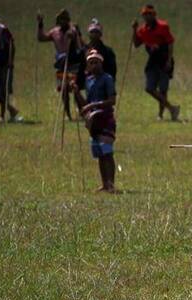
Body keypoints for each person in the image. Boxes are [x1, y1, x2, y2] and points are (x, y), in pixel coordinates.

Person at [70, 50, 118, 193]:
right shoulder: (89, 81)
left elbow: (112, 100)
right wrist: (77, 92)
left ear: (101, 63)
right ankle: (104, 183)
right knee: (99, 153)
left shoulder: (107, 79)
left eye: (96, 62)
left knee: (107, 152)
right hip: (94, 121)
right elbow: (86, 103)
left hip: (106, 118)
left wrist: (93, 106)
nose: (94, 64)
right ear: (88, 66)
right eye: (91, 62)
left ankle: (111, 184)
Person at [132, 4, 180, 121]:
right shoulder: (143, 30)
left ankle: (161, 114)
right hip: (152, 61)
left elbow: (170, 43)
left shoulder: (163, 26)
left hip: (164, 60)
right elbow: (137, 44)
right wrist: (134, 30)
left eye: (149, 14)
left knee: (163, 89)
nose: (147, 17)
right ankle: (172, 108)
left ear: (154, 15)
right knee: (149, 88)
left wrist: (169, 60)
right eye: (145, 15)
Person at [37, 9, 84, 120]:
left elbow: (79, 46)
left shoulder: (73, 30)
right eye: (61, 19)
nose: (63, 22)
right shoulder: (55, 32)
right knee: (63, 89)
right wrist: (40, 24)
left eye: (65, 19)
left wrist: (73, 40)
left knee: (74, 87)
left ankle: (82, 111)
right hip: (61, 64)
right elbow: (41, 38)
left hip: (73, 63)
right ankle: (67, 113)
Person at [77, 19, 117, 91]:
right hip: (88, 81)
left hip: (103, 82)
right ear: (89, 34)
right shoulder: (84, 51)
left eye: (96, 32)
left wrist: (110, 83)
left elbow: (112, 70)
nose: (94, 34)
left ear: (100, 34)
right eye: (92, 32)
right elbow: (81, 68)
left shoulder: (108, 51)